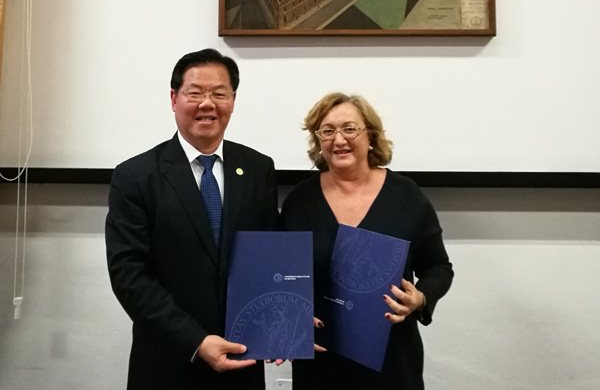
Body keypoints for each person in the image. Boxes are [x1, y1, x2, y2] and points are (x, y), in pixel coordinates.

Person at [105, 48, 278, 390]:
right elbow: (129, 276)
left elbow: (270, 256)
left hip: (241, 359)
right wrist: (196, 341)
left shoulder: (258, 169)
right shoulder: (136, 176)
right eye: (195, 93)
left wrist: (286, 319)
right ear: (174, 99)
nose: (207, 104)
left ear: (233, 100)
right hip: (167, 363)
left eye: (219, 94)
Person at [280, 93, 454, 390]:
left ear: (370, 136)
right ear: (318, 141)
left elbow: (438, 267)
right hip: (319, 364)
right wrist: (290, 319)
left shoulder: (406, 196)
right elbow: (282, 275)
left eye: (350, 128)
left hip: (391, 361)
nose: (339, 139)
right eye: (327, 131)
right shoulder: (300, 200)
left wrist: (420, 298)